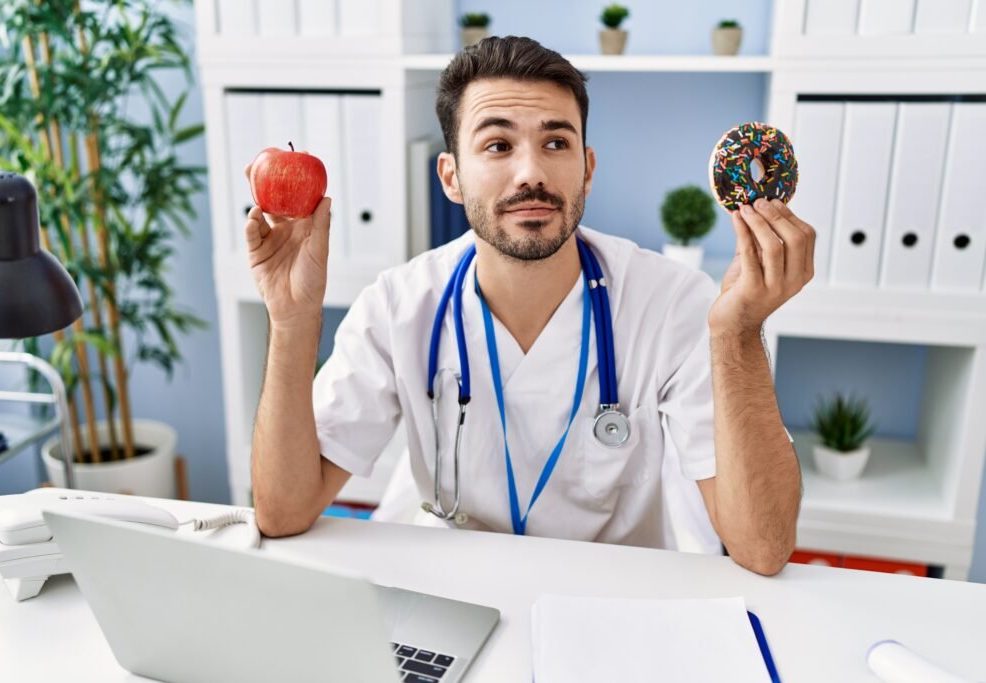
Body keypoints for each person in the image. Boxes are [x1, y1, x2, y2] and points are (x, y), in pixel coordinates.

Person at [243, 37, 813, 575]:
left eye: (556, 143)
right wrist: (292, 322)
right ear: (452, 177)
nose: (532, 173)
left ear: (586, 170)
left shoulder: (672, 303)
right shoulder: (398, 305)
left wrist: (739, 331)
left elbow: (762, 547)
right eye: (497, 145)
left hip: (613, 605)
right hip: (452, 588)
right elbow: (282, 513)